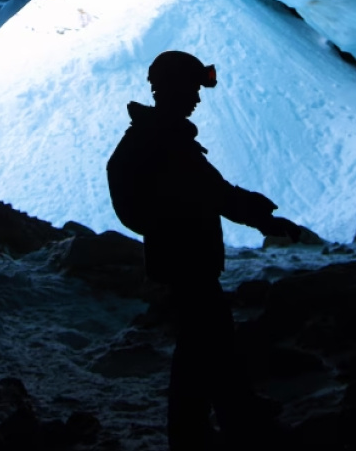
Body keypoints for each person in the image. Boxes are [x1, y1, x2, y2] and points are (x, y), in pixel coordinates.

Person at [106, 50, 302, 450]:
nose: (197, 97)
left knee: (206, 339)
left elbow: (207, 191)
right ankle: (207, 427)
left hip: (180, 255)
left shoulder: (158, 135)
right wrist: (261, 217)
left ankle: (223, 416)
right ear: (173, 89)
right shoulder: (165, 140)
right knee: (205, 341)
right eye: (192, 89)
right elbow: (214, 193)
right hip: (187, 258)